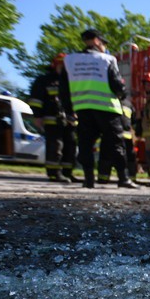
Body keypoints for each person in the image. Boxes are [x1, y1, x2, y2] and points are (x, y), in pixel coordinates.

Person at [60, 28, 138, 189]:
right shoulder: (106, 59)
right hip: (107, 109)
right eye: (103, 43)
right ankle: (123, 179)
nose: (104, 47)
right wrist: (123, 94)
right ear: (96, 41)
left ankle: (88, 180)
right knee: (116, 144)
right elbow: (117, 85)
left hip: (83, 108)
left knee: (86, 144)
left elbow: (64, 89)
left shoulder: (70, 60)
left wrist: (69, 111)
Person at [29, 53, 78, 183]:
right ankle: (54, 173)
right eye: (62, 64)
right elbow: (36, 100)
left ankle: (67, 173)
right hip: (52, 118)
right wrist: (38, 116)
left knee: (70, 147)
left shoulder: (72, 81)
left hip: (69, 120)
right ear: (55, 64)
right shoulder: (44, 80)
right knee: (55, 146)